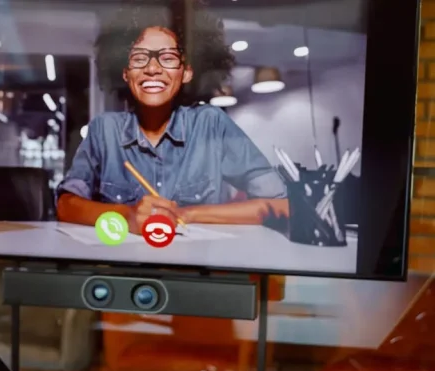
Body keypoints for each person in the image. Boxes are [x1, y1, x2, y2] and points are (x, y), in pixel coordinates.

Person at [57, 22, 288, 234]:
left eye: (167, 58)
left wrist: (187, 214)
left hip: (198, 272)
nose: (153, 68)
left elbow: (280, 204)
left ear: (186, 72)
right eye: (139, 58)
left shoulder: (211, 123)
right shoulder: (104, 130)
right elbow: (65, 206)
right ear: (126, 73)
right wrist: (126, 215)